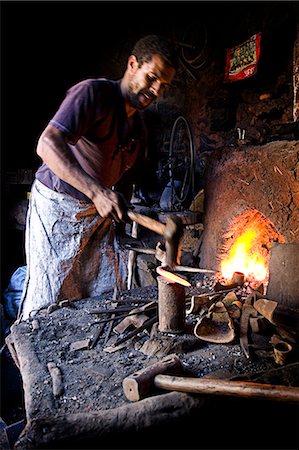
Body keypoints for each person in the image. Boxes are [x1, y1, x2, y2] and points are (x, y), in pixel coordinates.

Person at [18, 34, 178, 321]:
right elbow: (47, 143)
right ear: (132, 64)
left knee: (101, 294)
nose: (156, 90)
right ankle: (27, 357)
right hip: (57, 207)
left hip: (95, 215)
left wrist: (120, 208)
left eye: (163, 85)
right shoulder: (93, 94)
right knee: (48, 297)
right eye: (152, 78)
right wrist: (98, 192)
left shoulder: (138, 128)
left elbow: (124, 178)